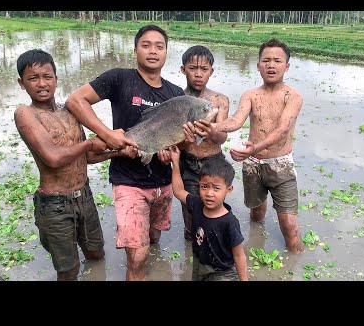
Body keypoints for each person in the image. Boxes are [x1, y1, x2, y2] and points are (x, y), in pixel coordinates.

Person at [65, 25, 187, 281]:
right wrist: (108, 135)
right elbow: (76, 101)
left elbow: (181, 143)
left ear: (166, 53)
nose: (152, 51)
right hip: (127, 181)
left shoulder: (176, 94)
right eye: (146, 45)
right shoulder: (119, 78)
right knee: (138, 255)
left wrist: (171, 150)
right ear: (135, 51)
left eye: (159, 46)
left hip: (163, 183)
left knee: (154, 238)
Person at [14, 49, 138, 281]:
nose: (42, 84)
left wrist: (118, 153)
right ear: (22, 83)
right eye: (33, 78)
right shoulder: (25, 114)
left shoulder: (70, 112)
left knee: (96, 253)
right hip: (55, 204)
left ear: (56, 79)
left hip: (85, 196)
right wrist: (92, 142)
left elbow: (85, 158)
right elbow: (53, 158)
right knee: (68, 269)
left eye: (47, 76)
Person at [198, 38, 305, 254]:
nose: (271, 65)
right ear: (258, 66)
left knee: (289, 224)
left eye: (277, 60)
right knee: (256, 214)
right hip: (253, 165)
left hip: (280, 165)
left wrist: (255, 148)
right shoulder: (250, 95)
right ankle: (257, 249)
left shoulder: (293, 96)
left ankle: (296, 255)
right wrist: (215, 128)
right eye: (266, 60)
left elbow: (283, 129)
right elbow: (236, 120)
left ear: (287, 66)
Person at [170, 145, 247, 281]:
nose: (209, 193)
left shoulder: (229, 222)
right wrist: (175, 163)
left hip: (223, 273)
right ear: (199, 185)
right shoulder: (197, 204)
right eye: (204, 187)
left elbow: (239, 256)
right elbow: (178, 191)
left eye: (216, 188)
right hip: (200, 265)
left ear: (228, 190)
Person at [178, 45, 230, 242]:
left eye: (204, 69)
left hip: (214, 162)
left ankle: (214, 249)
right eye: (192, 68)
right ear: (183, 69)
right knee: (191, 213)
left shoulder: (219, 100)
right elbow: (174, 141)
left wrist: (212, 132)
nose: (198, 74)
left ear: (211, 71)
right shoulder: (177, 100)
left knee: (214, 212)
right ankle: (192, 253)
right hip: (188, 162)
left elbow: (222, 137)